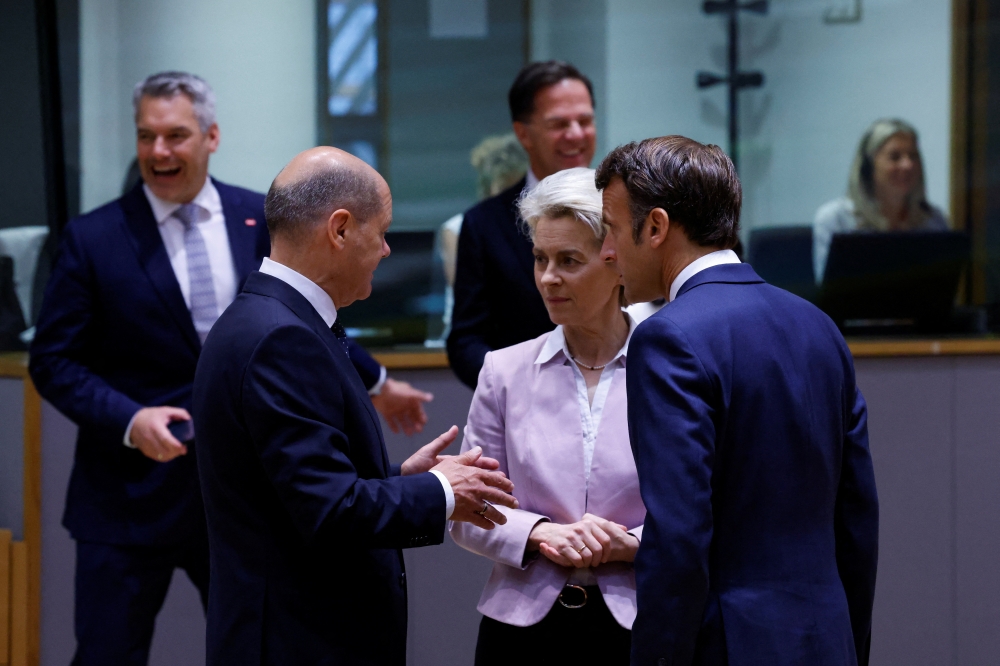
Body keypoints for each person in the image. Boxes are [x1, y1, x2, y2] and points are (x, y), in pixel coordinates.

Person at [26, 71, 427, 665]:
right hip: (128, 496)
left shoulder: (263, 217)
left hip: (248, 491)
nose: (159, 151)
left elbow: (307, 313)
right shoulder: (93, 237)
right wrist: (131, 419)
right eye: (146, 136)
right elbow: (53, 360)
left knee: (256, 643)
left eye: (175, 135)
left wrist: (377, 382)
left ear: (211, 136)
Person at [192, 146, 520, 666]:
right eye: (383, 231)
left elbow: (293, 487)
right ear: (340, 229)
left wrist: (401, 481)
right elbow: (327, 513)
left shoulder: (268, 319)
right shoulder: (282, 338)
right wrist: (439, 491)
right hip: (299, 643)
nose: (388, 249)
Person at [596, 136, 879, 665]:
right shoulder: (818, 326)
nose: (607, 251)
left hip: (727, 647)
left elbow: (678, 537)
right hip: (826, 639)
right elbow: (857, 520)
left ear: (655, 227)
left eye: (610, 230)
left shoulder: (668, 337)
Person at [451, 167, 644, 666]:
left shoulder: (673, 366)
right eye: (540, 259)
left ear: (617, 261)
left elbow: (708, 504)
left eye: (569, 260)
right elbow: (469, 512)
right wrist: (537, 533)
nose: (548, 277)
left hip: (641, 624)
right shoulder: (504, 371)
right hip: (521, 636)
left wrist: (630, 544)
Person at [447, 60, 597, 388]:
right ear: (523, 133)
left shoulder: (625, 212)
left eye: (584, 121)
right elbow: (466, 341)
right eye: (559, 123)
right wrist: (516, 387)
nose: (575, 134)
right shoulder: (484, 224)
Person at [813, 118, 948, 282]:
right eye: (895, 157)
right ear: (868, 167)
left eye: (913, 156)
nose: (908, 165)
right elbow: (830, 296)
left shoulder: (934, 219)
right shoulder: (835, 219)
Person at [436, 133, 528, 342]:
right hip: (479, 337)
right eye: (506, 189)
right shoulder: (460, 227)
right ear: (489, 187)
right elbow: (465, 291)